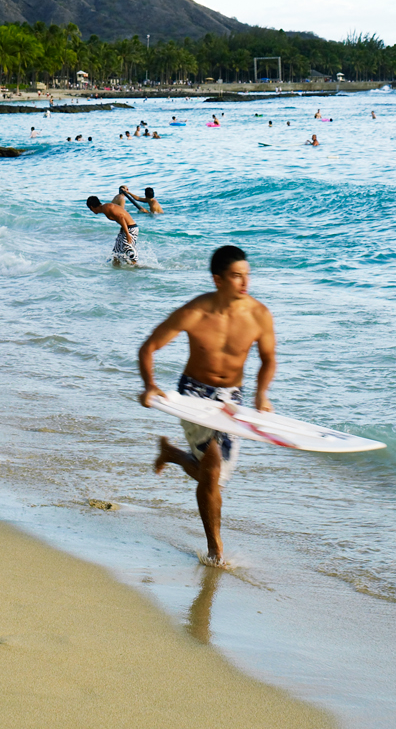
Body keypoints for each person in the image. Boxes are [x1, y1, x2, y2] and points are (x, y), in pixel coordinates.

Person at [138, 245, 276, 566]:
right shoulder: (195, 312)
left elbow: (268, 359)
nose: (245, 282)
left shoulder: (259, 315)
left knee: (215, 477)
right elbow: (149, 347)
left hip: (232, 397)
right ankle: (215, 551)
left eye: (247, 275)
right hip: (194, 394)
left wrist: (262, 395)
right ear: (217, 279)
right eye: (236, 276)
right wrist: (150, 386)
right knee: (212, 471)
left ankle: (171, 454)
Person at [86, 192, 141, 266]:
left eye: (90, 209)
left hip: (130, 229)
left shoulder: (106, 208)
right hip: (124, 229)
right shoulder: (105, 208)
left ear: (92, 207)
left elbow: (121, 217)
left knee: (129, 251)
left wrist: (127, 234)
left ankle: (138, 268)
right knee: (116, 253)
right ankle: (116, 270)